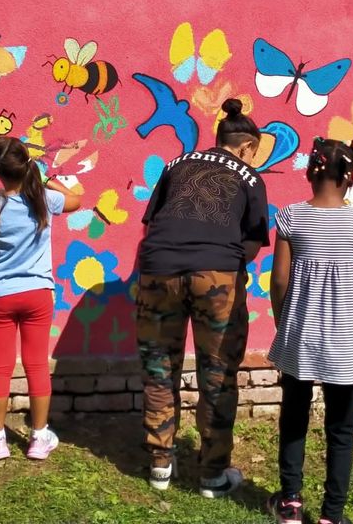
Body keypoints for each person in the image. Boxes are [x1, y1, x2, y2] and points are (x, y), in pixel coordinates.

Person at [135, 98, 270, 497]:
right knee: (218, 372)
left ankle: (160, 464)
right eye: (255, 152)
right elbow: (252, 241)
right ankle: (212, 474)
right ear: (247, 146)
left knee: (159, 367)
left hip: (158, 269)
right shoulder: (249, 176)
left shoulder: (176, 164)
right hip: (217, 275)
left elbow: (151, 223)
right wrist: (226, 268)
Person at [266, 137, 353, 524]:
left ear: (310, 173)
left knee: (293, 417)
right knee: (342, 428)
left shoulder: (291, 218)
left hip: (300, 335)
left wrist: (283, 321)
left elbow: (279, 281)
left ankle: (290, 504)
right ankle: (332, 515)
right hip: (346, 340)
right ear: (350, 177)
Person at [0, 136, 80, 462]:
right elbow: (75, 200)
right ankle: (39, 438)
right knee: (37, 365)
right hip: (38, 295)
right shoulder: (44, 199)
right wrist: (45, 179)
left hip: (0, 296)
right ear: (26, 166)